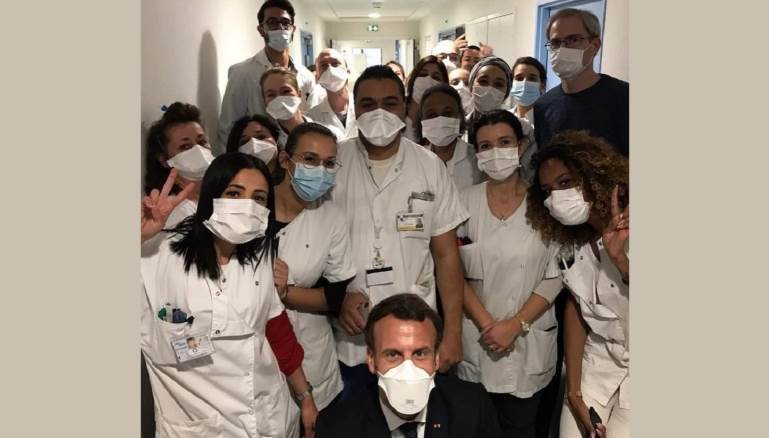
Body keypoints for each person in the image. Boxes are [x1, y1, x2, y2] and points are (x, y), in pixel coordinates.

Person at [140, 152, 320, 437]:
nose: (246, 206)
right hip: (199, 427)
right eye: (234, 193)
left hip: (269, 418)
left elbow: (275, 327)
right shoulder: (156, 256)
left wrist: (305, 396)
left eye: (258, 198)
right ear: (211, 195)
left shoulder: (259, 254)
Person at [329, 65, 469, 400]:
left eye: (389, 103)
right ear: (354, 108)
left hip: (415, 335)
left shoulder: (428, 166)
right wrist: (336, 299)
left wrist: (452, 332)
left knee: (415, 422)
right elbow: (314, 245)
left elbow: (447, 255)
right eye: (367, 104)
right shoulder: (334, 163)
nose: (378, 113)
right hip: (351, 337)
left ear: (407, 108)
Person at [456, 110, 562, 438]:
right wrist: (490, 326)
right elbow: (450, 272)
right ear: (475, 154)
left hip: (527, 344)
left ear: (521, 146)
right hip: (478, 341)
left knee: (520, 428)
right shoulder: (462, 203)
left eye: (504, 142)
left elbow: (557, 274)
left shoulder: (547, 203)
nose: (495, 152)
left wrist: (516, 326)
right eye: (484, 146)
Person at [526, 130, 629, 438]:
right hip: (597, 364)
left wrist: (621, 261)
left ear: (593, 174)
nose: (556, 197)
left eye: (565, 182)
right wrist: (573, 390)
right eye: (547, 190)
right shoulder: (570, 244)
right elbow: (576, 310)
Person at [315, 293, 504, 438]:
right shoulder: (337, 427)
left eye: (420, 354)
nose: (408, 369)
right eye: (393, 355)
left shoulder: (471, 408)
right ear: (371, 360)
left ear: (436, 359)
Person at [271, 123, 357, 412]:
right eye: (310, 160)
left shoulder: (330, 218)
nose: (320, 170)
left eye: (329, 163)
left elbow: (334, 297)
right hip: (256, 359)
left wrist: (284, 292)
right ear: (285, 161)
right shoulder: (255, 206)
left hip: (310, 355)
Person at [533, 8, 629, 157]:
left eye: (573, 40)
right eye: (556, 42)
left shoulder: (624, 97)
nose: (563, 48)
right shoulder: (543, 106)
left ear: (595, 45)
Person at [218, 0, 315, 146]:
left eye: (285, 22)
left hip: (298, 155)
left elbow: (308, 119)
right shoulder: (241, 73)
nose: (280, 28)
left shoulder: (306, 76)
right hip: (258, 160)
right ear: (261, 29)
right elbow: (228, 129)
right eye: (272, 22)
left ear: (293, 29)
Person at [144, 102, 213, 235]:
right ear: (164, 159)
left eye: (201, 142)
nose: (198, 150)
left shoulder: (223, 194)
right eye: (185, 146)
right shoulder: (168, 214)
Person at [413, 83, 481, 191]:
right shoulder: (414, 161)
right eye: (432, 115)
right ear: (422, 120)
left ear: (460, 116)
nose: (440, 120)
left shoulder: (478, 159)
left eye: (447, 113)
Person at [510, 56, 548, 184]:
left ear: (542, 85)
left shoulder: (548, 122)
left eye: (532, 78)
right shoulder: (504, 119)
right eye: (519, 78)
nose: (525, 83)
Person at [306, 48, 358, 141]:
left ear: (348, 72)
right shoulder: (312, 117)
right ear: (317, 77)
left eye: (335, 64)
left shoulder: (364, 107)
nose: (330, 69)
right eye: (323, 65)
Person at [260, 67, 318, 147]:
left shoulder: (325, 132)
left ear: (299, 94)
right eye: (271, 95)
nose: (279, 99)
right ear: (264, 101)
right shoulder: (266, 143)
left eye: (286, 91)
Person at [404, 56, 449, 142]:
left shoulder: (441, 123)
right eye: (423, 74)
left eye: (436, 77)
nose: (428, 79)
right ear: (413, 79)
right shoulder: (397, 111)